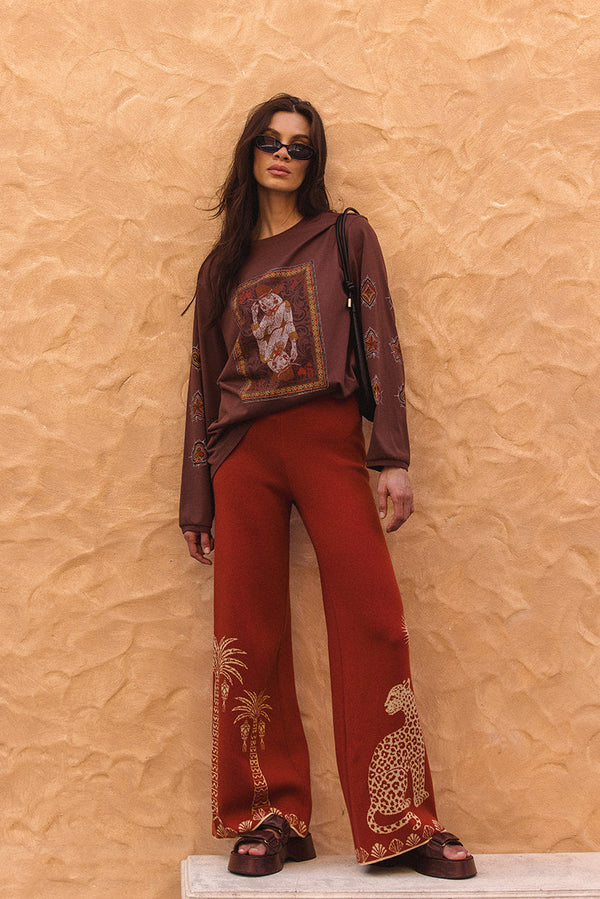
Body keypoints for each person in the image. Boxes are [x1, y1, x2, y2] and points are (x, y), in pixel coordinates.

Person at [180, 93, 476, 881]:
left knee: (373, 619)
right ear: (250, 151)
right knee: (250, 633)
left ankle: (402, 820)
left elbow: (381, 343)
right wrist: (197, 496)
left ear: (315, 160)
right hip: (242, 454)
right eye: (271, 142)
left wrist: (393, 456)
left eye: (301, 146)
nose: (284, 154)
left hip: (328, 442)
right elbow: (203, 387)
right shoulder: (222, 266)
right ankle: (268, 814)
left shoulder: (345, 235)